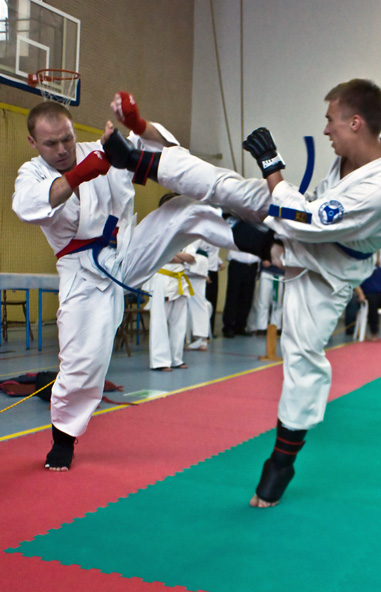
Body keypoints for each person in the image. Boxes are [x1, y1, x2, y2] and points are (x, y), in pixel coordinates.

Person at [103, 79, 381, 508]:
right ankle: (137, 162)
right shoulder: (355, 154)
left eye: (331, 121)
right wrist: (270, 200)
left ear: (355, 122)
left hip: (328, 272)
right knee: (229, 187)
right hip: (304, 226)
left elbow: (303, 221)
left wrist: (272, 165)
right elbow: (302, 212)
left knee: (302, 356)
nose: (326, 130)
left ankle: (282, 462)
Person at [12, 95, 242, 471]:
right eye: (51, 143)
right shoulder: (32, 173)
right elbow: (27, 206)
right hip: (83, 273)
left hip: (127, 250)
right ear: (33, 143)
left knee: (184, 211)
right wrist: (79, 174)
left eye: (67, 138)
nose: (62, 149)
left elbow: (165, 152)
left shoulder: (98, 149)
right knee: (82, 364)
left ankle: (260, 241)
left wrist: (137, 124)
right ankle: (63, 439)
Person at [222, 250, 260, 337]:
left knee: (247, 296)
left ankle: (240, 326)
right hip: (237, 264)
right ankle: (228, 326)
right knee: (233, 295)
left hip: (252, 266)